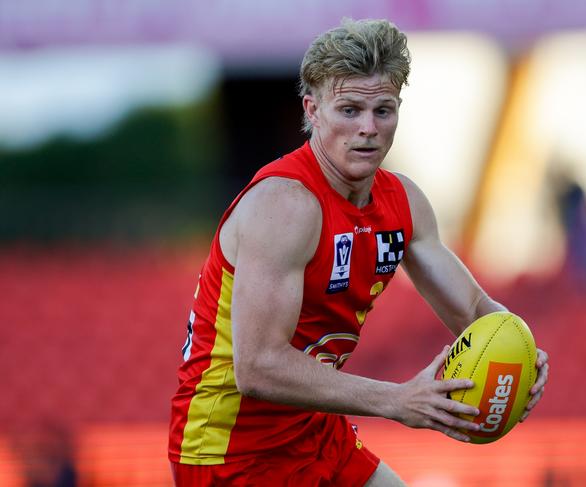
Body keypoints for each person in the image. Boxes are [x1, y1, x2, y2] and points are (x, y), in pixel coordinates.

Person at [169, 18, 549, 486]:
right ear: (312, 111)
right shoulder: (285, 204)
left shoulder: (403, 202)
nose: (367, 129)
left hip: (315, 432)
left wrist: (521, 353)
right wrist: (397, 400)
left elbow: (473, 309)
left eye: (383, 110)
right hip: (231, 451)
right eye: (349, 110)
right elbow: (258, 366)